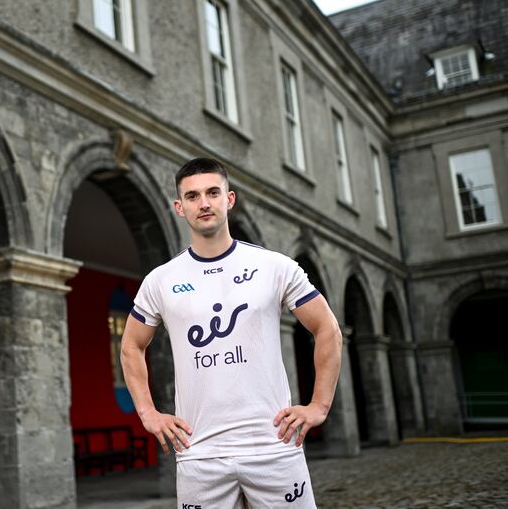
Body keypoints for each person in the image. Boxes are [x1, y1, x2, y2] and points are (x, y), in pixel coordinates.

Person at [120, 158, 342, 508]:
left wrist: (318, 405)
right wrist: (148, 413)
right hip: (200, 454)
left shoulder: (275, 266)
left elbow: (327, 327)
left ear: (230, 199)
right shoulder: (160, 280)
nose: (204, 203)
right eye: (192, 196)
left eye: (212, 192)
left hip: (273, 448)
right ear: (180, 207)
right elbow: (131, 345)